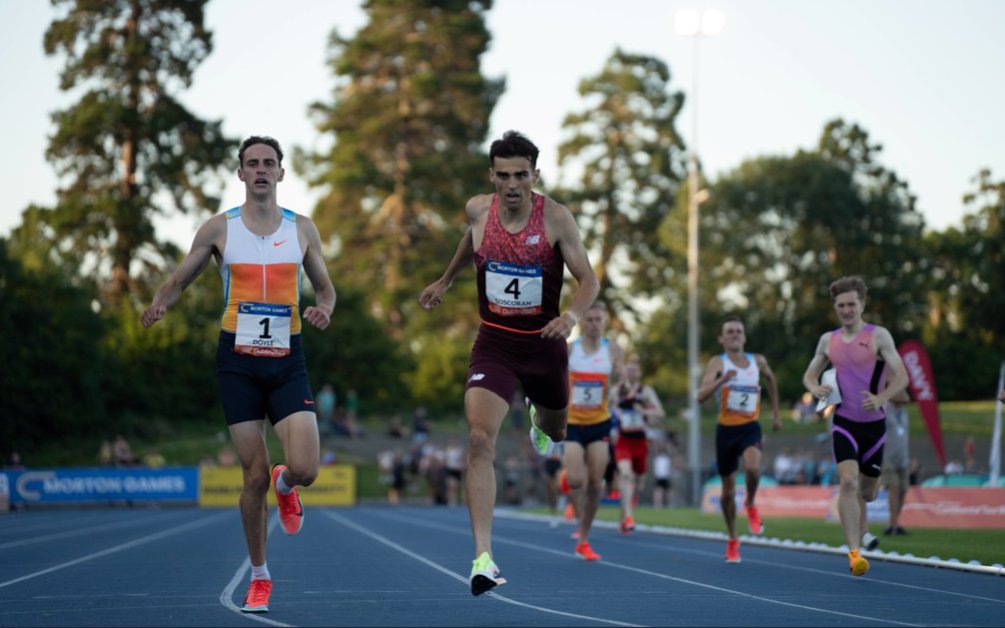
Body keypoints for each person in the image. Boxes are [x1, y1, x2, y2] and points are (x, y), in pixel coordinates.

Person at [141, 135, 336, 613]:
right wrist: (161, 301)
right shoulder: (219, 229)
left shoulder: (302, 229)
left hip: (288, 359)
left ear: (282, 174)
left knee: (307, 468)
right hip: (239, 361)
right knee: (252, 477)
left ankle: (287, 485)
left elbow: (327, 289)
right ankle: (260, 576)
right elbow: (182, 275)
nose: (262, 170)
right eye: (253, 164)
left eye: (270, 163)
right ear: (241, 174)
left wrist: (325, 310)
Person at [418, 130, 599, 596]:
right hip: (494, 343)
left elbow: (588, 279)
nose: (513, 184)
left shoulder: (556, 218)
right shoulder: (479, 209)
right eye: (504, 175)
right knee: (480, 439)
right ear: (492, 177)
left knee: (559, 431)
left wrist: (572, 315)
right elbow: (469, 240)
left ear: (535, 175)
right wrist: (445, 279)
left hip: (544, 343)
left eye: (522, 175)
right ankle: (483, 557)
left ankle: (542, 419)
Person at [802, 275, 908, 577]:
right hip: (843, 422)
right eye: (841, 305)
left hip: (874, 426)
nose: (846, 310)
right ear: (835, 307)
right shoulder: (828, 340)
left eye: (851, 304)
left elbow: (901, 376)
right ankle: (854, 554)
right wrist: (815, 388)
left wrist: (882, 397)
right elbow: (810, 374)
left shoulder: (879, 336)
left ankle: (863, 526)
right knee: (846, 482)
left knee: (868, 492)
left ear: (862, 304)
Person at [697, 315, 781, 564]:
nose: (734, 335)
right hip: (726, 430)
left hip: (750, 427)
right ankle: (733, 538)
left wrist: (776, 413)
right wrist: (722, 379)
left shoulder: (757, 361)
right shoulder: (717, 362)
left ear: (744, 336)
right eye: (729, 332)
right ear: (721, 339)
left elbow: (771, 379)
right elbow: (700, 396)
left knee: (754, 469)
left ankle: (751, 503)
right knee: (727, 491)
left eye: (738, 331)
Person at [563, 302, 625, 560]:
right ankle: (572, 491)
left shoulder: (612, 349)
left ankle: (584, 539)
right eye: (589, 319)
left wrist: (616, 388)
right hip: (574, 423)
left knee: (595, 486)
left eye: (598, 319)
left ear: (604, 321)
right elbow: (553, 376)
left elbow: (621, 377)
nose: (594, 323)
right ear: (582, 322)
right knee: (576, 480)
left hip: (600, 421)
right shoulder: (570, 349)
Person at [611, 355, 665, 534]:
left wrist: (644, 411)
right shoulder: (616, 390)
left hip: (640, 441)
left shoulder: (646, 391)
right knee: (626, 475)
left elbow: (660, 412)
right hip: (623, 441)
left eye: (635, 369)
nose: (632, 372)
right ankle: (628, 516)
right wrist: (615, 412)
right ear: (624, 372)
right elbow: (605, 409)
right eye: (629, 369)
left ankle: (624, 514)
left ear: (640, 372)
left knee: (639, 480)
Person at [881, 387, 912, 536]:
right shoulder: (884, 409)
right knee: (894, 488)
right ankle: (892, 524)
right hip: (887, 457)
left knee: (903, 490)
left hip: (903, 458)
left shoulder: (904, 412)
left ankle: (896, 521)